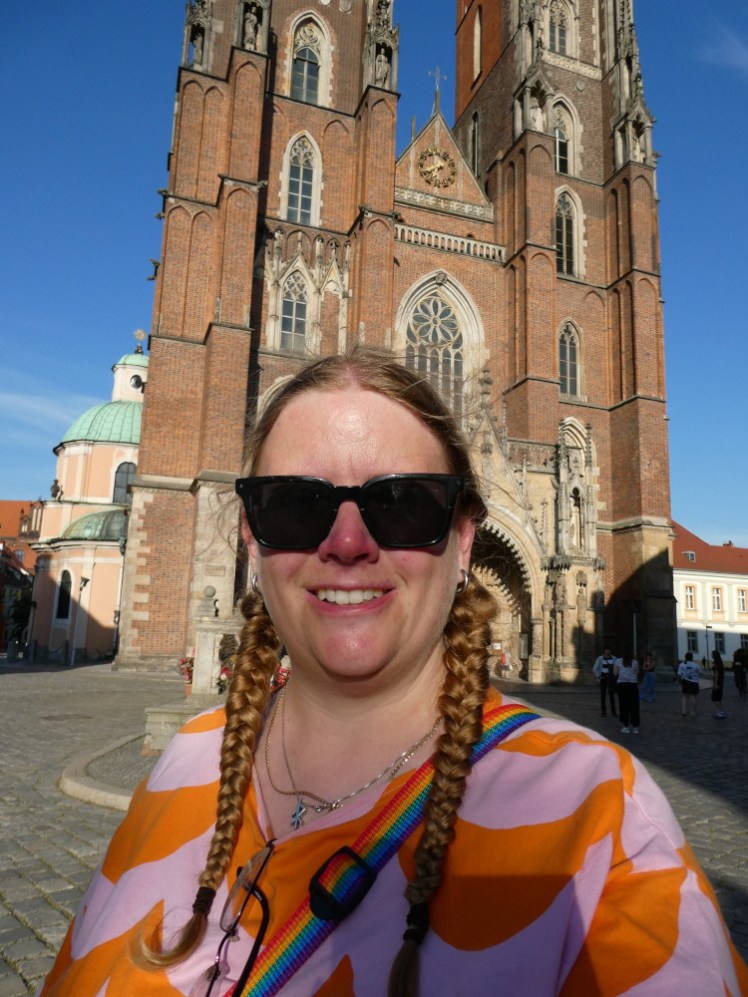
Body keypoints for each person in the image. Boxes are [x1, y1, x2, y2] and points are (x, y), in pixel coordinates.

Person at [38, 347, 747, 996]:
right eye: (297, 501)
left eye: (403, 504)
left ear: (463, 538)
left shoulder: (602, 820)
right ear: (250, 531)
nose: (348, 542)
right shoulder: (182, 766)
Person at [614, 649, 639, 734]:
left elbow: (615, 673)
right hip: (632, 685)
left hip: (622, 685)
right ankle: (635, 727)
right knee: (634, 706)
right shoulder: (635, 662)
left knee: (623, 706)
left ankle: (626, 726)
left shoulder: (618, 661)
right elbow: (636, 673)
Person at [592, 645, 617, 716]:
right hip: (603, 678)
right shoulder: (600, 659)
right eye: (606, 650)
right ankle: (603, 711)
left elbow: (617, 668)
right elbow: (594, 668)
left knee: (612, 695)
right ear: (604, 651)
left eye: (609, 650)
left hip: (611, 679)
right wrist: (598, 676)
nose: (608, 651)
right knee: (603, 696)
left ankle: (613, 711)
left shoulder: (614, 658)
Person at [678, 651, 702, 717]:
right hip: (694, 682)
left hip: (685, 682)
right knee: (693, 697)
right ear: (692, 657)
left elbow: (679, 675)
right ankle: (692, 712)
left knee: (684, 697)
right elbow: (701, 673)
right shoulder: (696, 665)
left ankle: (684, 712)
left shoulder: (682, 664)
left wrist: (679, 682)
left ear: (685, 657)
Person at [711, 649, 726, 719]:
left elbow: (716, 674)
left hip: (717, 683)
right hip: (720, 682)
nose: (711, 655)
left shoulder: (716, 664)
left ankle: (719, 712)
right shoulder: (720, 663)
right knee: (719, 698)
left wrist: (715, 684)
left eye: (712, 654)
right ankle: (722, 711)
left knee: (715, 698)